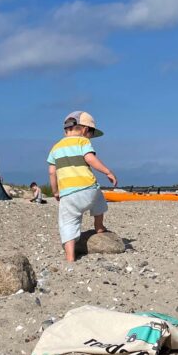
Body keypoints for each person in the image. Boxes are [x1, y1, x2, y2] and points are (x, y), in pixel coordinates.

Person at [46, 110, 117, 263]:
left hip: (68, 194)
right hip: (89, 190)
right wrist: (107, 171)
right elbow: (90, 159)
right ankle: (99, 226)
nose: (91, 137)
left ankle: (70, 256)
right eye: (91, 133)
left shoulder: (55, 148)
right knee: (99, 202)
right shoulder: (83, 142)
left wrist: (55, 191)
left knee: (68, 223)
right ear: (85, 130)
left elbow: (52, 172)